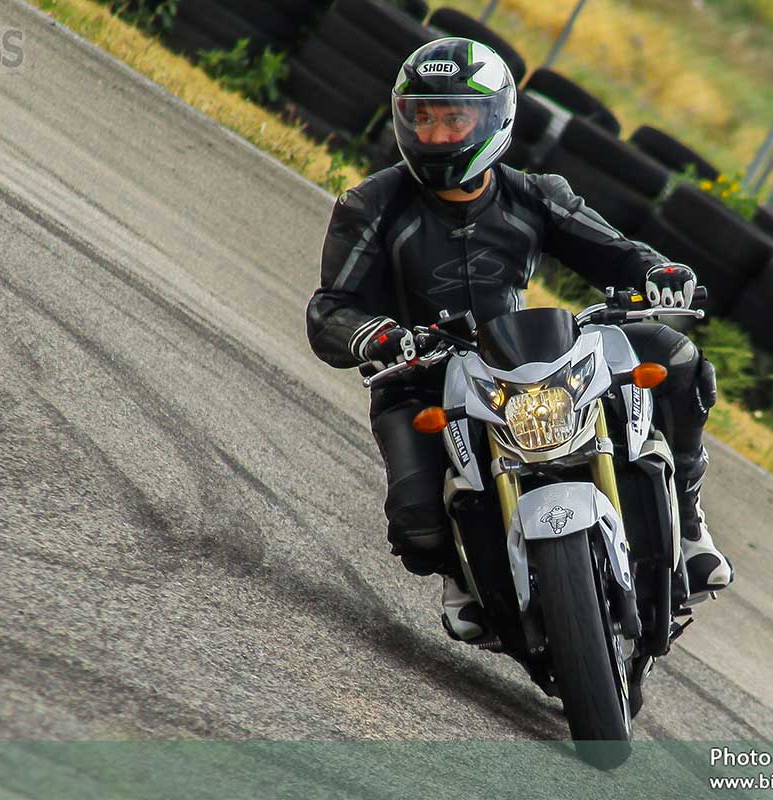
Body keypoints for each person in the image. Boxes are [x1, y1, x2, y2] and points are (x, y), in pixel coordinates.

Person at [306, 37, 732, 643]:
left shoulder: (536, 195)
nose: (437, 134)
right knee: (417, 524)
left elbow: (617, 254)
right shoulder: (371, 205)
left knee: (677, 358)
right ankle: (463, 577)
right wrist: (376, 335)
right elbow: (330, 308)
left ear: (493, 118)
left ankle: (687, 526)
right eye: (423, 118)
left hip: (525, 362)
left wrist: (657, 273)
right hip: (421, 375)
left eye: (454, 118)